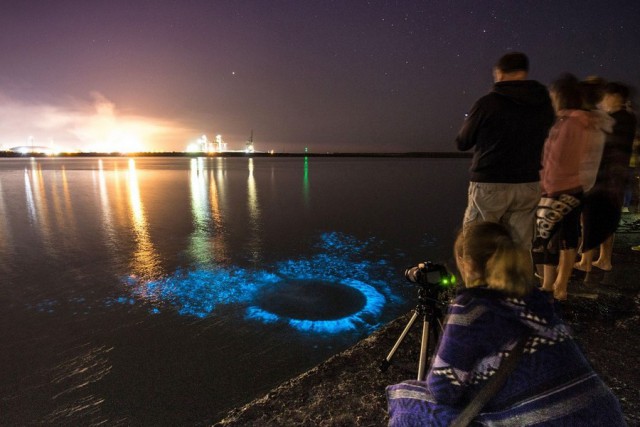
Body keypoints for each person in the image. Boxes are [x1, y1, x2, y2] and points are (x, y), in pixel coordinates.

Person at [386, 222, 625, 426]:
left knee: (404, 396)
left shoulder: (471, 307)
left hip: (543, 419)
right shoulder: (536, 296)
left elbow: (443, 390)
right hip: (605, 413)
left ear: (466, 262)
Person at [456, 52, 555, 255]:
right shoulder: (544, 105)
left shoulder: (487, 103)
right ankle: (517, 286)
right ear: (524, 72)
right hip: (528, 183)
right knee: (521, 247)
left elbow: (463, 142)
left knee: (476, 243)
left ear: (499, 73)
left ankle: (477, 286)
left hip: (490, 184)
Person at [575, 82, 638, 280]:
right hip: (616, 179)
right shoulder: (627, 118)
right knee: (606, 219)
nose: (604, 100)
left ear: (616, 97)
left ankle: (585, 261)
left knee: (590, 218)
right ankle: (604, 259)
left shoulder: (616, 119)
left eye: (607, 96)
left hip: (603, 177)